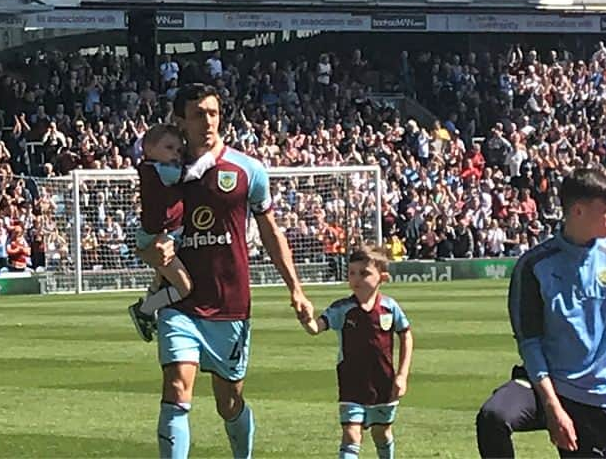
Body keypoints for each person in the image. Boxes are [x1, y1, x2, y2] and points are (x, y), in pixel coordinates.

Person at [137, 83, 314, 459]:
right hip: (182, 303)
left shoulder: (246, 169)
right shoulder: (166, 168)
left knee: (228, 402)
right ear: (180, 120)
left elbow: (270, 231)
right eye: (199, 113)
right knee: (176, 386)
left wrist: (295, 289)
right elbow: (148, 233)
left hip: (230, 302)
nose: (208, 121)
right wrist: (154, 250)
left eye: (213, 113)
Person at [476, 168, 606, 458]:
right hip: (543, 386)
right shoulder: (534, 265)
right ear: (578, 211)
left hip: (598, 396)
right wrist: (553, 407)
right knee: (493, 416)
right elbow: (529, 341)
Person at [301, 244, 413, 459]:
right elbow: (317, 328)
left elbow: (406, 335)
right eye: (352, 273)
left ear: (382, 277)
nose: (356, 279)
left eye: (364, 273)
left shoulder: (390, 307)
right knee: (352, 435)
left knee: (381, 433)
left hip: (383, 382)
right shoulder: (342, 308)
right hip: (352, 382)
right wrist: (306, 319)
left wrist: (402, 375)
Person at [128, 123, 217, 342]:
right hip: (160, 237)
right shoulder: (159, 169)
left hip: (165, 235)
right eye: (169, 148)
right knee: (184, 287)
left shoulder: (152, 168)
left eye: (178, 150)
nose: (175, 154)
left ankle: (147, 310)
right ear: (148, 149)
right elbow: (191, 173)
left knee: (161, 280)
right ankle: (145, 310)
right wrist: (210, 156)